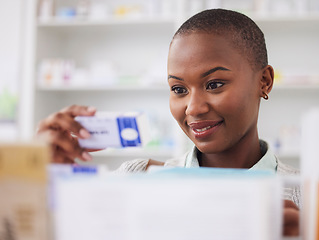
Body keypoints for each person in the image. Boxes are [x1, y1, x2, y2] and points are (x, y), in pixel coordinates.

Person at [36, 9, 300, 236]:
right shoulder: (136, 180)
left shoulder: (307, 199)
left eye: (214, 84)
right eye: (178, 89)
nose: (194, 108)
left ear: (264, 81)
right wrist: (41, 179)